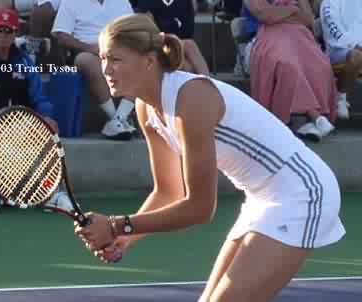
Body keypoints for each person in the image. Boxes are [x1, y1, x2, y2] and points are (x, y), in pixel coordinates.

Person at [74, 14, 345, 301]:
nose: (106, 69)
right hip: (260, 198)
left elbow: (200, 209)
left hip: (302, 191)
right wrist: (125, 237)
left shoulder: (191, 98)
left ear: (149, 61)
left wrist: (118, 225)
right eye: (103, 58)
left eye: (116, 59)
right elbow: (168, 191)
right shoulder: (146, 108)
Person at [0, 8, 72, 214]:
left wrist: (46, 116)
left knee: (49, 132)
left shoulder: (25, 62)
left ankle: (52, 193)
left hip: (20, 120)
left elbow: (39, 97)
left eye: (9, 31)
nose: (3, 35)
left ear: (15, 34)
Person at [248, 0, 338, 142]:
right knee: (288, 66)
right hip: (270, 36)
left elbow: (308, 19)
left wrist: (277, 13)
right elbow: (263, 15)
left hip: (299, 36)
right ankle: (313, 116)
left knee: (320, 66)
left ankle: (306, 122)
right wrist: (292, 9)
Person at [51, 0, 136, 140]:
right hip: (87, 52)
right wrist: (89, 48)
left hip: (120, 52)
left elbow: (133, 31)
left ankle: (118, 119)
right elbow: (61, 35)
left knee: (141, 62)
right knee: (86, 60)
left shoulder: (122, 2)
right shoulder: (71, 2)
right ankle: (117, 118)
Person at [135, 0, 209, 75]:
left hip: (174, 45)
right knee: (187, 65)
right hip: (160, 45)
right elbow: (150, 30)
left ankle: (208, 82)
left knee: (189, 46)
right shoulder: (146, 3)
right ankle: (208, 82)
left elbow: (187, 30)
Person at [320, 0, 362, 120]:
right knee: (357, 56)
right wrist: (356, 45)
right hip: (338, 50)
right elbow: (334, 32)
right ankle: (340, 98)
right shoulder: (329, 3)